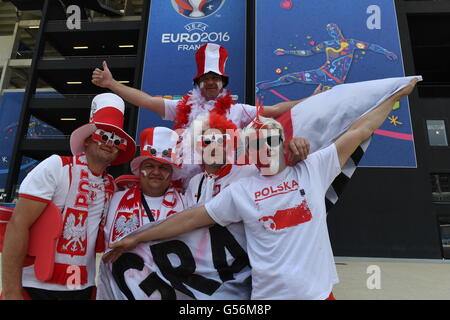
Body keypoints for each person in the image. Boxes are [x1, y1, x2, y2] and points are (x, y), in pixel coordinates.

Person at [103, 78, 418, 300]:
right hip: (259, 293)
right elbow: (190, 220)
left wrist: (393, 95)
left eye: (271, 141)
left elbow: (359, 128)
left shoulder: (310, 168)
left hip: (317, 292)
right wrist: (137, 237)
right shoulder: (228, 189)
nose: (264, 148)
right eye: (257, 143)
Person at [1, 93, 136, 300]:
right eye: (104, 135)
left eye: (117, 140)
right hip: (35, 286)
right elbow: (18, 224)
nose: (110, 143)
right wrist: (11, 291)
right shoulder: (56, 167)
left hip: (81, 288)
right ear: (88, 139)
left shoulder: (110, 187)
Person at [97, 127, 251, 299]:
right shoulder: (115, 198)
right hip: (124, 290)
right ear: (139, 169)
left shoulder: (185, 201)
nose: (156, 172)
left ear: (171, 173)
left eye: (163, 167)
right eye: (150, 165)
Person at [92, 43, 314, 131]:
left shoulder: (237, 111)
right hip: (190, 185)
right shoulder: (182, 106)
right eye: (205, 78)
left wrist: (312, 100)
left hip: (226, 181)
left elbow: (275, 111)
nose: (210, 82)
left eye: (215, 78)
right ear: (198, 83)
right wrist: (111, 84)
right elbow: (145, 101)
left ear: (222, 83)